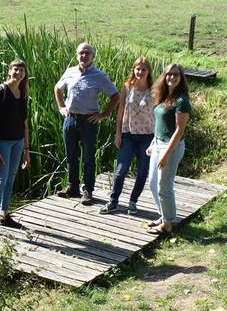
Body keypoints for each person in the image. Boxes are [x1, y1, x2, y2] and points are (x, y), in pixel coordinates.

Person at [53, 43, 118, 205]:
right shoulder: (70, 72)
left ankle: (88, 190)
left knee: (88, 157)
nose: (84, 55)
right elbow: (57, 88)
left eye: (87, 53)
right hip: (70, 119)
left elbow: (115, 96)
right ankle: (72, 187)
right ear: (77, 55)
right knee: (71, 156)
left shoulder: (99, 75)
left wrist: (103, 114)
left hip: (89, 121)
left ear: (93, 56)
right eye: (81, 53)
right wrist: (62, 107)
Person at [0, 59, 31, 241]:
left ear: (25, 74)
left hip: (17, 142)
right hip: (2, 143)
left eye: (22, 70)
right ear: (9, 71)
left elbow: (25, 123)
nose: (18, 72)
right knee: (0, 180)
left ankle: (4, 214)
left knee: (10, 178)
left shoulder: (22, 94)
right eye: (15, 69)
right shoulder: (0, 93)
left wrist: (27, 149)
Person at [100, 57, 154, 215]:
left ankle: (133, 202)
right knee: (121, 169)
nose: (140, 72)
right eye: (138, 69)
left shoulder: (155, 89)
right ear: (134, 70)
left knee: (143, 171)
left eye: (143, 69)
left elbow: (159, 112)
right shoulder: (127, 87)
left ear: (148, 71)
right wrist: (118, 133)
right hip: (128, 134)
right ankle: (113, 201)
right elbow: (121, 110)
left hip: (147, 136)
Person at [147, 63, 190, 235]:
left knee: (164, 186)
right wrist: (153, 143)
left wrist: (166, 154)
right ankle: (164, 215)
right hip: (158, 143)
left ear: (180, 79)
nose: (171, 77)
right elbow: (160, 124)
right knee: (152, 183)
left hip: (171, 147)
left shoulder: (181, 101)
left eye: (175, 75)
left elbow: (179, 130)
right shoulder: (163, 97)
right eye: (168, 74)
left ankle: (168, 223)